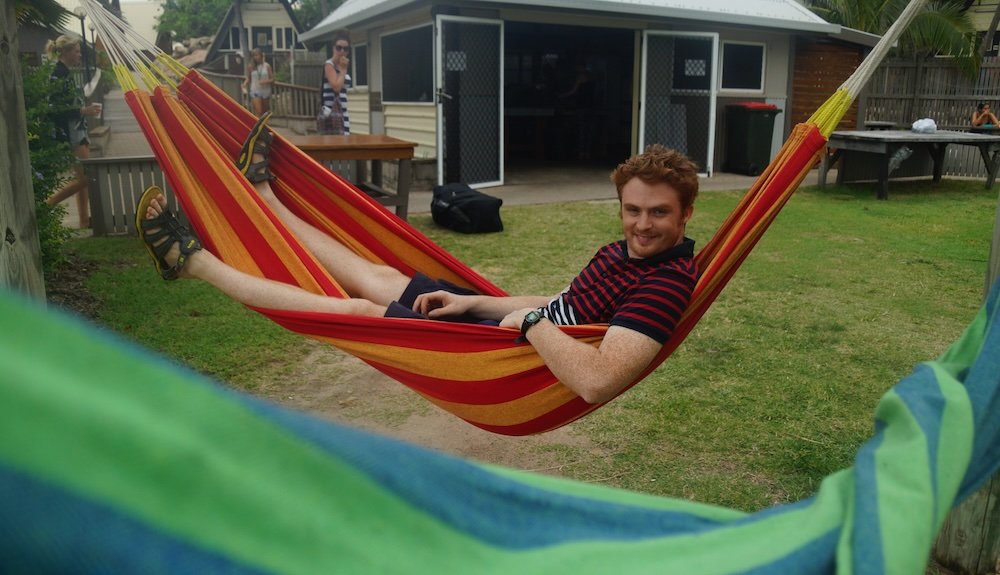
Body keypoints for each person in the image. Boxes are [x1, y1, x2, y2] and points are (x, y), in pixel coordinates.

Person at [137, 117, 699, 404]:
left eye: (657, 214)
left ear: (686, 215)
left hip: (508, 362)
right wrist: (474, 300)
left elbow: (597, 382)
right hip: (503, 332)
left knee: (356, 311)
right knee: (382, 276)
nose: (641, 226)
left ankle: (192, 264)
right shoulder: (621, 253)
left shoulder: (667, 284)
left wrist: (529, 325)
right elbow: (569, 306)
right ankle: (264, 199)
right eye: (632, 210)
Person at [45, 35, 102, 229]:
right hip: (71, 133)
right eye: (77, 51)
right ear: (66, 52)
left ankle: (84, 220)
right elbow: (54, 108)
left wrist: (84, 110)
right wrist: (83, 111)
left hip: (77, 131)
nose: (79, 55)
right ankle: (46, 205)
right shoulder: (58, 74)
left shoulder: (66, 73)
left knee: (82, 178)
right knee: (86, 177)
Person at [317, 30, 351, 135]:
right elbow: (336, 87)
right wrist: (343, 70)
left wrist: (342, 68)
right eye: (338, 47)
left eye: (345, 49)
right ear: (333, 48)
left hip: (343, 113)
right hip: (332, 115)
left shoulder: (342, 65)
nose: (342, 51)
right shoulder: (329, 65)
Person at [242, 48, 273, 117]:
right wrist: (244, 84)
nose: (255, 57)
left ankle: (264, 126)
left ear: (261, 55)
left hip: (265, 90)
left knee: (265, 112)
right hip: (255, 90)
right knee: (259, 111)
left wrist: (265, 81)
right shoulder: (251, 66)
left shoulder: (267, 66)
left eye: (257, 55)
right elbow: (249, 78)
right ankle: (258, 127)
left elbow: (272, 79)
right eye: (254, 55)